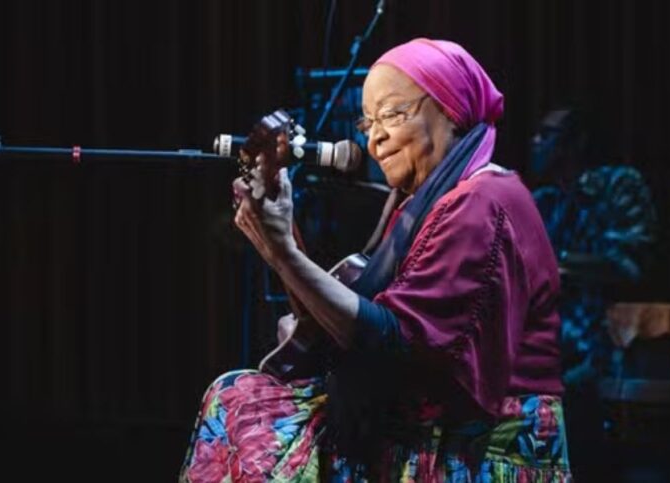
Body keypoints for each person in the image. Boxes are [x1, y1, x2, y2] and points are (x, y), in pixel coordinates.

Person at [180, 38, 572, 482]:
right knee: (243, 398)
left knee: (243, 403)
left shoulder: (483, 202)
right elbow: (339, 333)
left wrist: (283, 253)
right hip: (426, 429)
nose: (375, 137)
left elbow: (395, 344)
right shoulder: (419, 203)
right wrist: (281, 241)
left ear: (449, 108)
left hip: (484, 451)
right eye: (368, 122)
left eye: (391, 114)